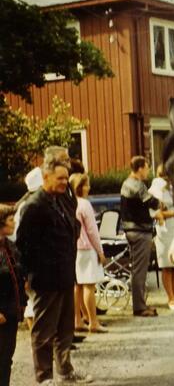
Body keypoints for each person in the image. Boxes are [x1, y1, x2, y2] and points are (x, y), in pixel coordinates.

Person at [17, 153, 92, 384]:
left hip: (65, 276)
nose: (64, 182)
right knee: (43, 333)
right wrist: (28, 276)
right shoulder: (34, 205)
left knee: (65, 329)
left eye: (66, 178)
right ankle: (44, 377)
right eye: (60, 178)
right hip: (45, 279)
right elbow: (22, 245)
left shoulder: (61, 201)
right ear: (46, 177)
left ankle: (65, 370)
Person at [120, 156, 161, 317]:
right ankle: (139, 307)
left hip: (130, 231)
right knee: (140, 271)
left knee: (136, 269)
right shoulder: (138, 185)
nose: (148, 171)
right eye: (147, 167)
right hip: (140, 232)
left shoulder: (126, 183)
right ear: (140, 168)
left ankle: (140, 303)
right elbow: (155, 203)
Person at [70, 173, 108, 333]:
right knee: (89, 285)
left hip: (73, 249)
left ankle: (77, 320)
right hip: (86, 248)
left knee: (76, 286)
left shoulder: (69, 203)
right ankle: (93, 321)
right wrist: (100, 251)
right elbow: (92, 231)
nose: (89, 187)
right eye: (86, 184)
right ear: (80, 187)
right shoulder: (84, 204)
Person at [148, 165, 174, 310]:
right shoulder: (155, 189)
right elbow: (154, 211)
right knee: (167, 266)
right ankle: (170, 298)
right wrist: (172, 213)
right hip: (164, 230)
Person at [0, 205, 27, 386]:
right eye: (10, 220)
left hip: (11, 311)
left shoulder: (10, 246)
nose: (14, 221)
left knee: (6, 358)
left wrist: (22, 302)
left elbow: (18, 275)